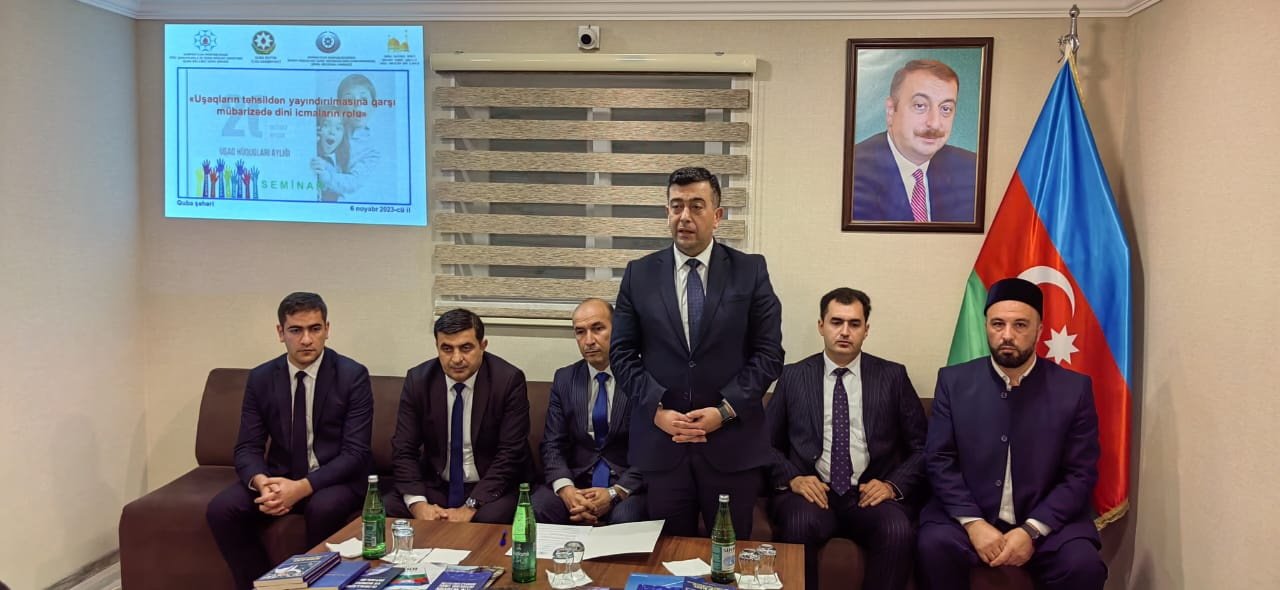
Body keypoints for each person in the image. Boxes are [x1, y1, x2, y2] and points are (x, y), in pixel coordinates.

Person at [610, 166, 784, 539]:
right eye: (676, 206)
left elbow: (769, 354)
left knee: (727, 555)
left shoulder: (750, 271)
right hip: (664, 447)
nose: (684, 216)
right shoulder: (639, 274)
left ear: (717, 215)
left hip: (731, 446)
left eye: (696, 206)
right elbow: (622, 354)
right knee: (669, 557)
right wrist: (656, 411)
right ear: (667, 212)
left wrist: (725, 411)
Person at [917, 278, 1106, 590]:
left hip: (1047, 521)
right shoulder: (954, 381)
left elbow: (1080, 473)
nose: (1007, 335)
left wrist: (1031, 530)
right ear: (986, 327)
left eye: (1020, 325)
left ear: (1039, 330)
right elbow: (939, 459)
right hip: (967, 515)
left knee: (1083, 566)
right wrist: (973, 523)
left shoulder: (1074, 389)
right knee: (934, 546)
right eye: (998, 324)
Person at [206, 292, 373, 589]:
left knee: (323, 508)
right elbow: (247, 447)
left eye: (315, 329)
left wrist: (301, 488)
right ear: (280, 332)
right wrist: (262, 483)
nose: (306, 339)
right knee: (222, 509)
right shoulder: (261, 378)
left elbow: (355, 453)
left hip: (335, 480)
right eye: (296, 330)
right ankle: (262, 585)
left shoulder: (352, 375)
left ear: (327, 329)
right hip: (280, 477)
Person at [766, 288, 927, 590]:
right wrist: (793, 479)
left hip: (869, 494)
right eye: (836, 322)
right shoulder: (793, 376)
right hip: (812, 493)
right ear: (821, 326)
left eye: (854, 324)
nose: (844, 331)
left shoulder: (892, 376)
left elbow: (922, 447)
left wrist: (892, 486)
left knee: (897, 529)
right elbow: (765, 443)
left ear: (866, 329)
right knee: (798, 523)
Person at [389, 308, 531, 523]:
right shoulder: (418, 381)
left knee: (488, 519)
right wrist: (418, 505)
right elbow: (404, 449)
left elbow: (510, 454)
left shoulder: (508, 381)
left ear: (483, 346)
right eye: (447, 349)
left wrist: (471, 506)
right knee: (387, 508)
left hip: (490, 486)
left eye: (466, 348)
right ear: (437, 347)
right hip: (438, 485)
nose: (456, 359)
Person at [533, 298, 647, 525]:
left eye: (598, 329)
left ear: (617, 329)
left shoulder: (641, 376)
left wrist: (615, 492)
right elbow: (553, 444)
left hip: (625, 484)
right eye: (580, 332)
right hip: (578, 481)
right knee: (538, 506)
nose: (589, 340)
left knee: (626, 517)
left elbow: (653, 448)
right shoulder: (565, 379)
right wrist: (567, 490)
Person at [852, 59, 977, 223]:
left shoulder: (972, 170)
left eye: (946, 109)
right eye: (920, 105)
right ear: (891, 111)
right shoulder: (851, 170)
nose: (934, 123)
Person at [311, 110, 349, 202]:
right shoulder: (309, 156)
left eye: (338, 128)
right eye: (326, 125)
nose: (332, 132)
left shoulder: (341, 165)